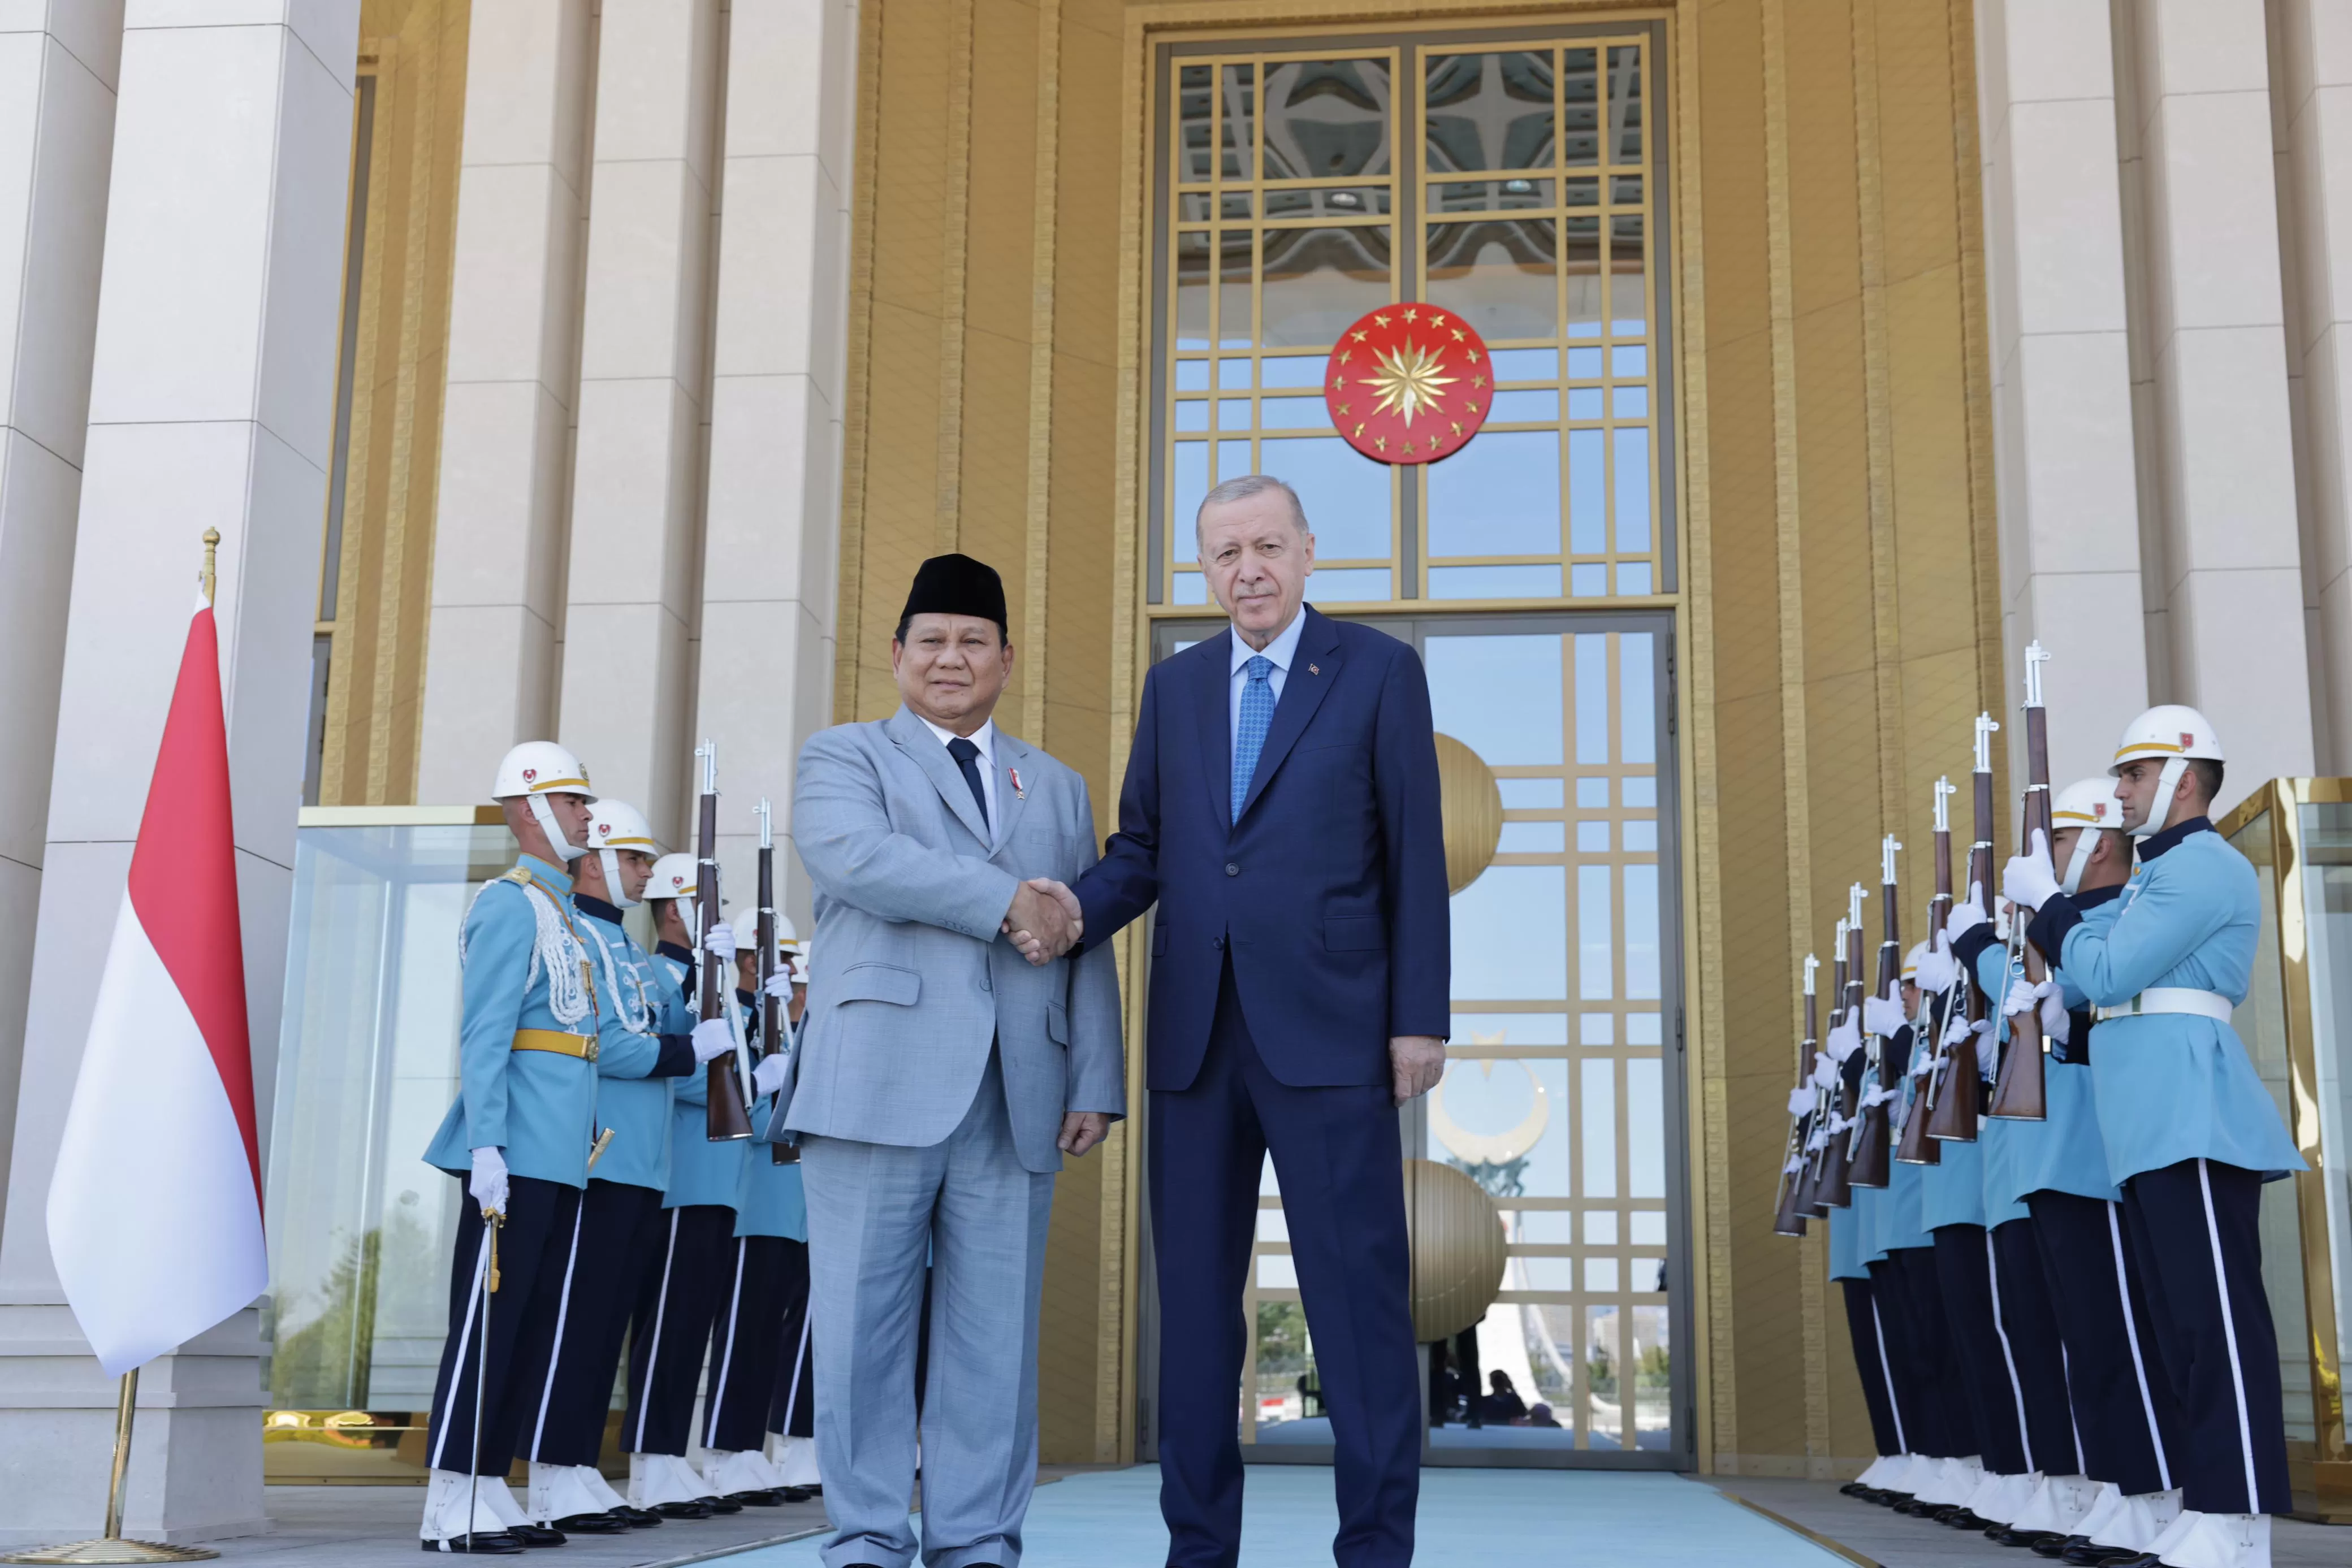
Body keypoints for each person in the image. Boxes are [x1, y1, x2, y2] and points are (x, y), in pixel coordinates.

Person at [1043, 475, 1450, 1568]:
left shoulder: (1377, 670)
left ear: (1309, 552)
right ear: (1205, 567)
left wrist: (1419, 1019)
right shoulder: (1173, 687)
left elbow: (1416, 854)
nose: (1249, 570)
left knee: (1356, 1310)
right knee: (1195, 1321)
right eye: (1226, 553)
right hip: (1193, 1039)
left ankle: (1374, 1548)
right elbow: (1145, 846)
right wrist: (1077, 908)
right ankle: (1198, 1549)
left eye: (1268, 546)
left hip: (1334, 1034)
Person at [786, 552, 1125, 1568]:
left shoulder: (1057, 785)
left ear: (1006, 658)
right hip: (872, 1084)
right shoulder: (844, 757)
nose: (951, 656)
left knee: (993, 1339)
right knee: (859, 1329)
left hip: (1018, 1091)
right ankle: (866, 1535)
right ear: (896, 655)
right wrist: (1003, 899)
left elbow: (1086, 936)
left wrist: (1095, 1076)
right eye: (931, 638)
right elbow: (857, 857)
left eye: (973, 639)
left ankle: (978, 1537)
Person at [2004, 708, 2306, 1568]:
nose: (2123, 791)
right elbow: (2096, 988)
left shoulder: (2203, 867)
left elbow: (2102, 969)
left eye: (2133, 775)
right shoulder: (2153, 881)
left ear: (2181, 777)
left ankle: (2240, 1514)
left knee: (2216, 1322)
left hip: (2191, 1113)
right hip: (2145, 1120)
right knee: (2177, 1326)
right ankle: (2201, 1499)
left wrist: (2054, 908)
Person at [518, 800, 728, 1532]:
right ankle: (552, 1468)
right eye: (635, 859)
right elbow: (626, 1046)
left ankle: (573, 1463)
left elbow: (676, 1045)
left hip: (643, 1164)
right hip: (602, 1152)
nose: (641, 872)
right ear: (600, 856)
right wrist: (688, 1047)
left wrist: (719, 985)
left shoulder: (631, 956)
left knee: (604, 1322)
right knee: (576, 1319)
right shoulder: (581, 936)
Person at [416, 741, 604, 1552]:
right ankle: (448, 1496)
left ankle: (489, 1481)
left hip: (558, 1154)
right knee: (487, 1323)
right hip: (515, 1150)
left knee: (524, 1325)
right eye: (571, 804)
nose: (584, 817)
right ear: (528, 811)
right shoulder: (509, 903)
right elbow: (486, 1035)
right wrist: (486, 1144)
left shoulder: (560, 909)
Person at [625, 854, 750, 1518]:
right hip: (678, 1172)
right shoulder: (660, 975)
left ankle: (669, 1449)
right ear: (675, 909)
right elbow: (682, 1073)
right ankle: (652, 1454)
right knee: (666, 1322)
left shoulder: (711, 983)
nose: (718, 914)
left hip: (715, 1177)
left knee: (689, 1322)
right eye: (707, 902)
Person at [694, 908, 808, 1505]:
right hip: (751, 1199)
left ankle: (743, 1446)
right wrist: (766, 1082)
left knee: (762, 1331)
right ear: (747, 959)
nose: (790, 970)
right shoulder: (734, 1020)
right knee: (740, 1330)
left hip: (784, 1205)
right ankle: (722, 1447)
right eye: (782, 957)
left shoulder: (773, 1026)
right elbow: (740, 1116)